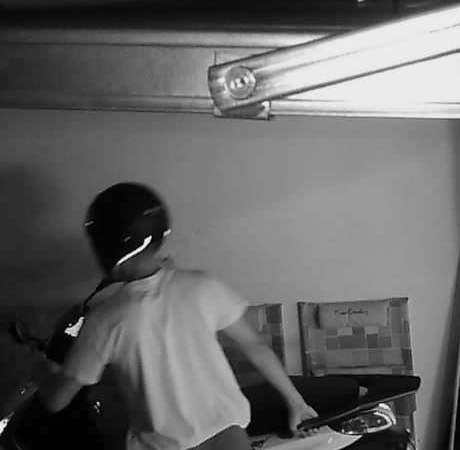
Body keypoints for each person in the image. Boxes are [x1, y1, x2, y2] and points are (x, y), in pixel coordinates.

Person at [34, 182, 318, 450]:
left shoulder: (103, 320)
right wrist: (296, 402)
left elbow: (56, 401)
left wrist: (36, 367)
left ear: (103, 245)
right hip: (230, 439)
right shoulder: (202, 286)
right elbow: (256, 347)